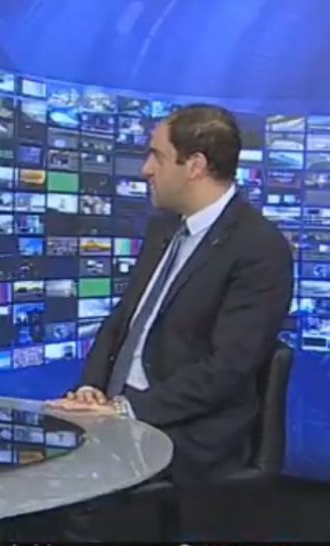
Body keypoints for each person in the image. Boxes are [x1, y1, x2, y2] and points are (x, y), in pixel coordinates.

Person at [49, 104, 294, 486]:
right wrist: (91, 389)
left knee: (70, 493)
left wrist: (125, 410)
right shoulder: (162, 228)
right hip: (119, 415)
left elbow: (227, 369)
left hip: (187, 431)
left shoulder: (258, 248)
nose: (146, 169)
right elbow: (123, 321)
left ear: (194, 166)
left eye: (157, 156)